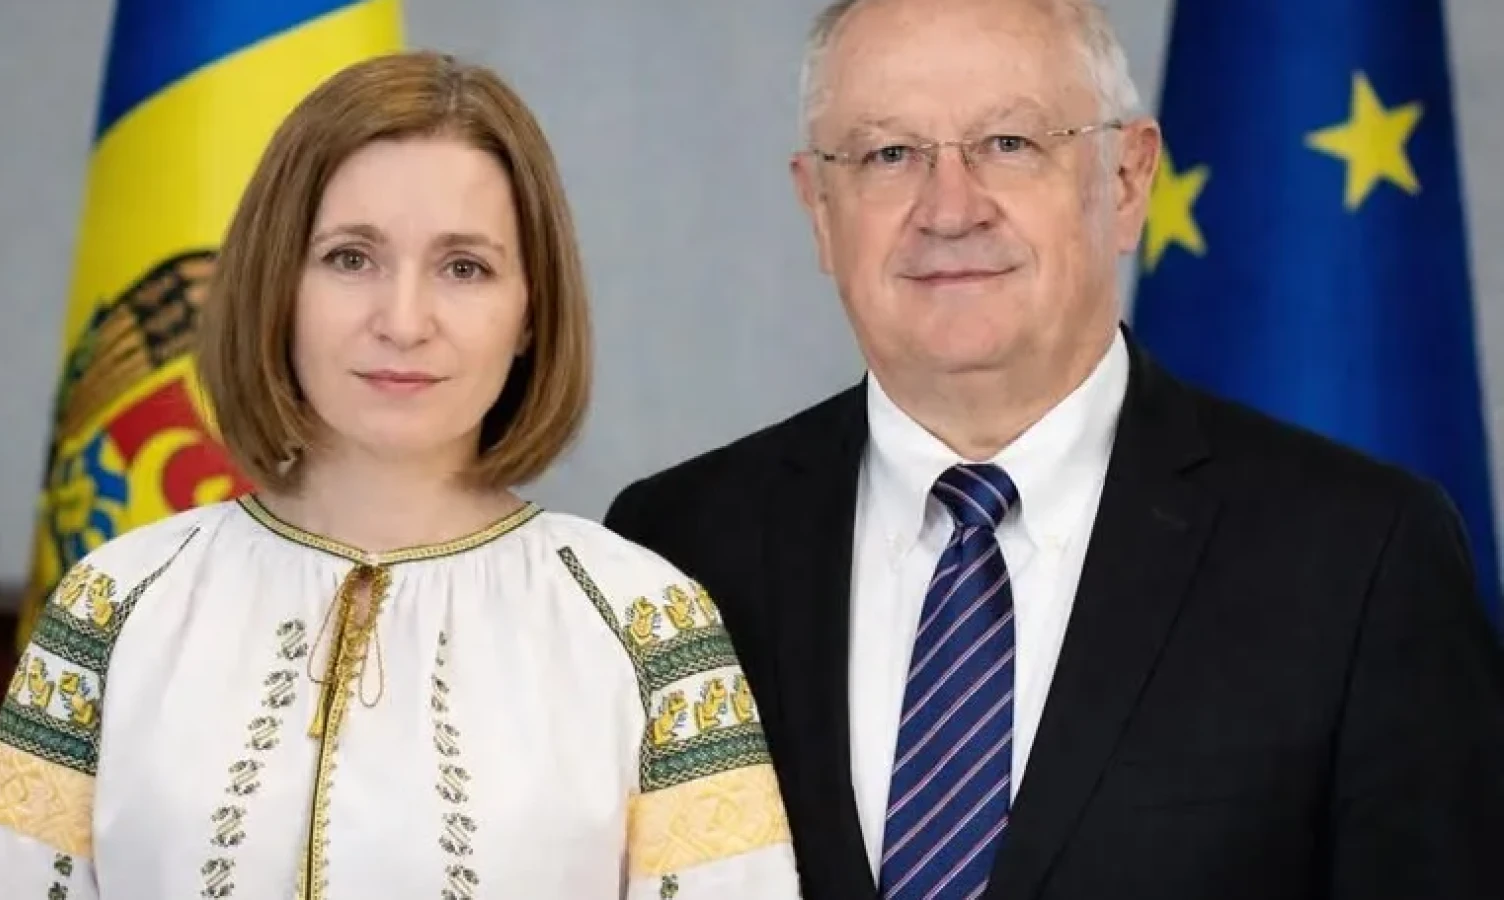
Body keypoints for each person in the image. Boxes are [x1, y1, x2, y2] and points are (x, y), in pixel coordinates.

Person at [604, 0, 1504, 898]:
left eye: (1010, 144)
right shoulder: (676, 550)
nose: (949, 209)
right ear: (819, 206)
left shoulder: (1359, 554)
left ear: (1127, 180)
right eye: (889, 154)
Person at [0, 50, 801, 900]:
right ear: (279, 285)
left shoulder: (647, 626)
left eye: (464, 268)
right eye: (351, 258)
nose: (404, 320)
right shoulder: (114, 607)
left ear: (530, 314)